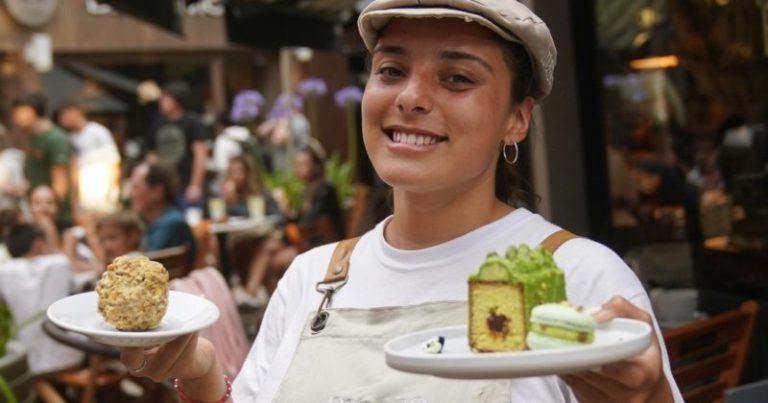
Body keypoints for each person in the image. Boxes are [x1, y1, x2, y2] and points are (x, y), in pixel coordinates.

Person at [120, 1, 682, 402]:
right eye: (390, 70)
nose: (411, 97)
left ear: (517, 118)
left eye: (457, 77)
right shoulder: (314, 277)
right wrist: (200, 375)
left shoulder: (579, 277)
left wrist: (649, 394)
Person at [0, 223, 84, 374]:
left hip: (27, 358)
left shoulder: (4, 271)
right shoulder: (60, 263)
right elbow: (80, 287)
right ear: (38, 243)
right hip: (71, 351)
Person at [145, 81, 211, 208]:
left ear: (176, 100)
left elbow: (200, 154)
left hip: (186, 184)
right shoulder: (158, 124)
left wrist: (195, 185)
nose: (161, 101)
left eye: (165, 97)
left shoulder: (192, 122)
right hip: (166, 187)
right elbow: (152, 153)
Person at [57, 98, 121, 215]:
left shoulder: (98, 132)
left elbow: (113, 162)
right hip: (83, 194)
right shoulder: (69, 138)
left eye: (64, 115)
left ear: (75, 111)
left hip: (101, 189)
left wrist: (112, 190)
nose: (62, 120)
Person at [11, 93, 71, 214]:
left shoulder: (54, 139)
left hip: (50, 212)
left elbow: (60, 179)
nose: (14, 117)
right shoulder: (30, 137)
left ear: (30, 111)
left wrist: (52, 208)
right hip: (35, 208)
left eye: (18, 112)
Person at [129, 162, 196, 260]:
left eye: (136, 187)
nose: (130, 194)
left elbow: (147, 264)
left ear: (157, 191)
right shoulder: (151, 223)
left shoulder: (172, 224)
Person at [292, 144, 345, 240]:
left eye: (304, 164)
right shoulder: (306, 190)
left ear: (316, 165)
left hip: (330, 242)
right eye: (297, 165)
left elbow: (311, 219)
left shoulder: (325, 188)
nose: (299, 169)